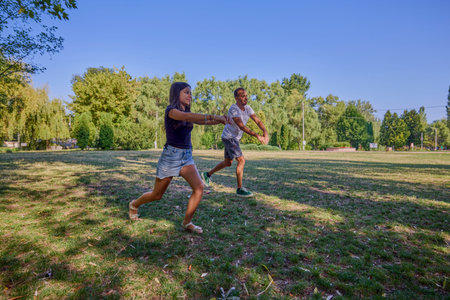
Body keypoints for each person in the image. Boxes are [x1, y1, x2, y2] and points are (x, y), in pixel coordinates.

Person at [128, 82, 227, 234]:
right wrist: (215, 116)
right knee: (157, 195)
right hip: (171, 157)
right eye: (186, 92)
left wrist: (221, 120)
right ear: (177, 94)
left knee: (199, 187)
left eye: (190, 93)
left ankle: (187, 223)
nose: (190, 95)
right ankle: (134, 204)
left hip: (186, 157)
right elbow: (187, 116)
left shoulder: (187, 113)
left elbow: (202, 120)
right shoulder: (171, 111)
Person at [201, 88, 269, 197]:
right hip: (229, 137)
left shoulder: (248, 108)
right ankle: (239, 189)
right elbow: (241, 126)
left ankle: (207, 174)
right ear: (236, 98)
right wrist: (257, 135)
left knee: (228, 163)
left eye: (246, 95)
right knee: (241, 160)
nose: (245, 97)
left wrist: (265, 131)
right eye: (242, 96)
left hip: (234, 138)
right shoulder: (234, 109)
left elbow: (257, 120)